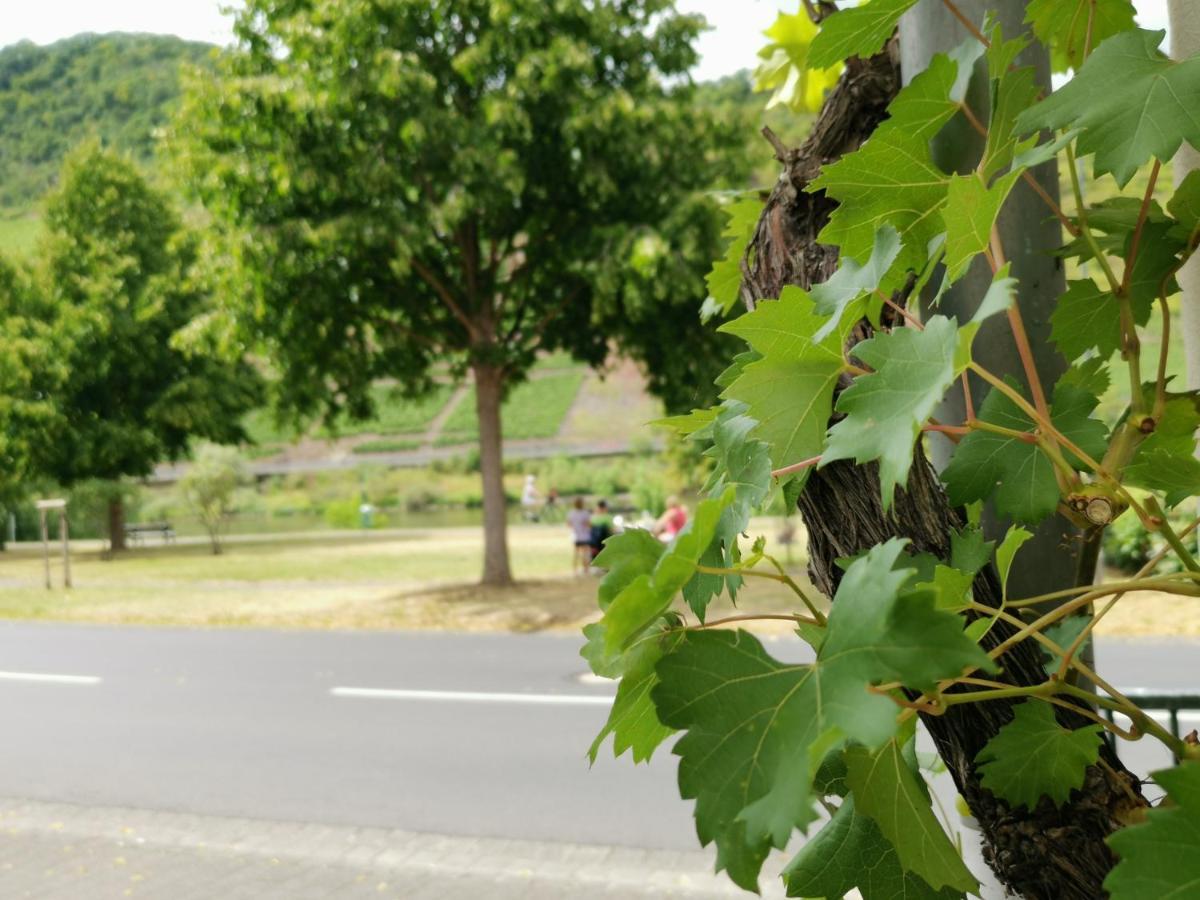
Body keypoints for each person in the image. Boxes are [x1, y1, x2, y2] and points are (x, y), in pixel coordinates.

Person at [567, 497, 592, 574]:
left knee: (576, 553)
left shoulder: (571, 513)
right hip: (584, 536)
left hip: (575, 536)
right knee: (585, 553)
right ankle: (586, 569)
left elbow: (568, 524)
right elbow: (589, 524)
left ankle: (575, 569)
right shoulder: (585, 513)